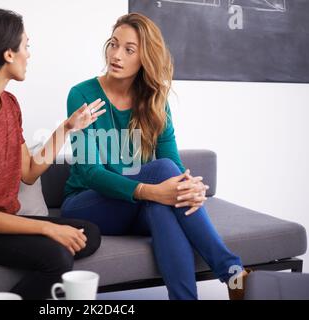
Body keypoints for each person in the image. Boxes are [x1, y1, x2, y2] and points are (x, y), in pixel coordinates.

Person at [61, 13, 251, 300]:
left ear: (144, 58)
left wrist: (190, 186)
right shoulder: (82, 94)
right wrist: (153, 189)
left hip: (138, 204)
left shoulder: (154, 100)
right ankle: (234, 274)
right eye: (113, 44)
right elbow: (91, 174)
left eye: (129, 49)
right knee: (161, 176)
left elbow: (173, 163)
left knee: (161, 205)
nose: (116, 55)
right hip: (88, 204)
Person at [0, 9, 106, 300]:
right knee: (58, 258)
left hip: (4, 219)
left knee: (88, 234)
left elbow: (28, 173)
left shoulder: (9, 104)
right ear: (8, 54)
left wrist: (66, 128)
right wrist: (45, 229)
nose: (29, 54)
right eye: (26, 46)